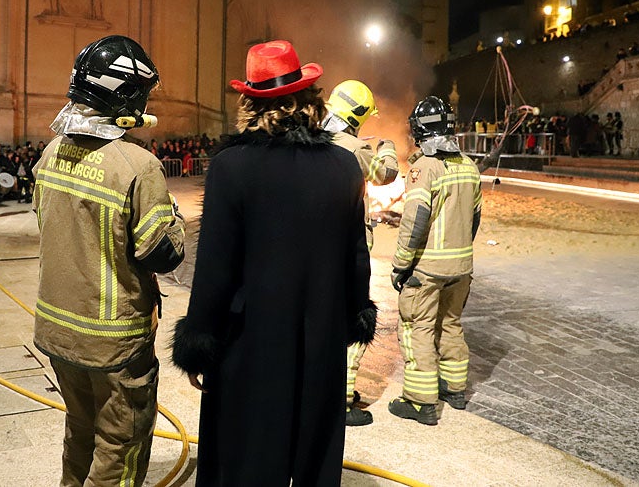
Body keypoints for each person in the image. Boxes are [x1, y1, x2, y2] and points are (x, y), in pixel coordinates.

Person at [172, 40, 376, 486]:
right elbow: (356, 258)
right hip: (321, 340)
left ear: (250, 100)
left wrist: (199, 342)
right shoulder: (344, 167)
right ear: (309, 98)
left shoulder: (231, 168)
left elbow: (215, 270)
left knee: (246, 458)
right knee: (314, 458)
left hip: (250, 345)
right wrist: (352, 318)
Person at [33, 35, 186, 487]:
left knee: (79, 432)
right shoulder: (138, 166)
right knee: (120, 443)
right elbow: (163, 253)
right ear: (125, 93)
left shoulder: (50, 153)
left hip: (58, 330)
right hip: (113, 339)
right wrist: (172, 217)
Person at [388, 96, 482, 426]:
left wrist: (401, 265)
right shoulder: (470, 166)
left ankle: (419, 401)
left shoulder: (424, 168)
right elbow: (475, 218)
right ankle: (454, 390)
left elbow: (415, 223)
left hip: (427, 269)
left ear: (419, 131)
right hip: (462, 267)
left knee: (417, 329)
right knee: (451, 324)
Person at [322, 79, 398, 427]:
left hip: (313, 247)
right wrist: (387, 146)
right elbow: (386, 174)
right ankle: (343, 398)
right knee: (352, 317)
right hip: (347, 248)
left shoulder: (312, 137)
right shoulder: (355, 147)